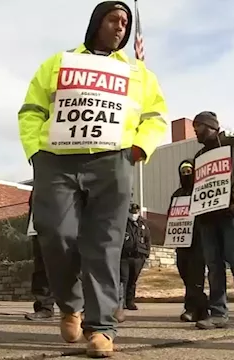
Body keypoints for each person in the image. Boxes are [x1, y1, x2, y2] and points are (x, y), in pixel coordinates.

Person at [17, 1, 168, 356]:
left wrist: (137, 150)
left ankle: (101, 327)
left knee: (104, 245)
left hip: (112, 161)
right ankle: (71, 305)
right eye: (114, 19)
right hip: (57, 161)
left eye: (126, 23)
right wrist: (37, 153)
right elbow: (31, 110)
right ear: (97, 22)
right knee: (54, 233)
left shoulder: (137, 72)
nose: (121, 27)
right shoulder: (59, 63)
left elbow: (157, 117)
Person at [191, 111, 234, 329]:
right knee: (213, 264)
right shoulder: (200, 156)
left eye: (198, 127)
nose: (195, 132)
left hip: (232, 212)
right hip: (208, 216)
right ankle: (218, 312)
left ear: (210, 126)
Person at [171, 159, 208, 322]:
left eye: (189, 171)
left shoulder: (201, 191)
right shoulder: (177, 195)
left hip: (198, 241)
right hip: (181, 242)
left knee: (195, 277)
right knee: (185, 274)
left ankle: (191, 308)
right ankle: (203, 306)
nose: (186, 175)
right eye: (183, 172)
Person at [24, 190, 56, 320]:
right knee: (41, 267)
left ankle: (81, 309)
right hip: (41, 223)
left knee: (77, 265)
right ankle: (44, 307)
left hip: (70, 220)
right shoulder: (40, 181)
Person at [119, 203, 151, 311]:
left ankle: (130, 302)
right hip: (125, 257)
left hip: (138, 256)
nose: (134, 215)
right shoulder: (123, 222)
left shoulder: (142, 223)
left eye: (135, 212)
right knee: (124, 279)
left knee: (133, 280)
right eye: (132, 212)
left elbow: (147, 238)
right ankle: (121, 302)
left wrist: (146, 253)